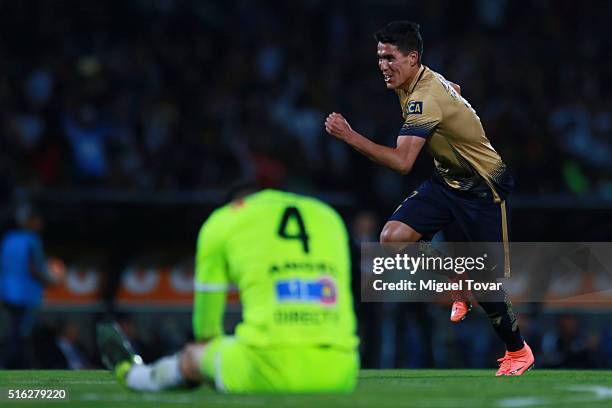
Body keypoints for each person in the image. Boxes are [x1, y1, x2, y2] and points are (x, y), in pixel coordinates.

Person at [324, 21, 534, 376]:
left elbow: (403, 162)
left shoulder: (422, 96)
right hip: (446, 181)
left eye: (390, 58)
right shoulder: (417, 79)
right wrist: (454, 100)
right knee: (392, 237)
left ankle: (518, 351)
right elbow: (451, 88)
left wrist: (349, 136)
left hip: (483, 188)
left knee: (488, 288)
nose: (383, 65)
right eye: (379, 57)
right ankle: (454, 276)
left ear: (412, 58)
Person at [98, 187, 359, 392]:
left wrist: (207, 359)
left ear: (236, 204)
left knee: (194, 356)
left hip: (266, 371)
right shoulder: (328, 217)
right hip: (342, 371)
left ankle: (134, 375)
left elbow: (206, 331)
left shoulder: (222, 223)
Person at [0, 205, 64, 368]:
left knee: (15, 330)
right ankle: (9, 364)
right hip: (25, 293)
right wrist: (50, 281)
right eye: (36, 220)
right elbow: (34, 267)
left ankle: (22, 365)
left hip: (7, 291)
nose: (40, 223)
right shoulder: (32, 239)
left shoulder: (8, 238)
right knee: (20, 333)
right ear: (28, 221)